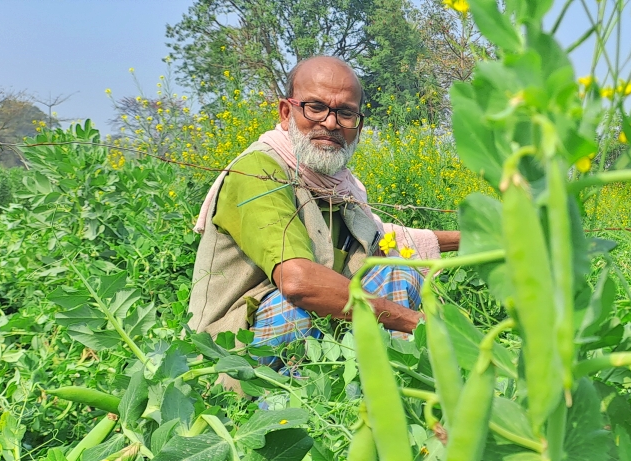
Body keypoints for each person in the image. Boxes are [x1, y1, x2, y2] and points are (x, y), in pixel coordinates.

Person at [187, 55, 458, 359]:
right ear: (286, 112)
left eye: (345, 113)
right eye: (315, 108)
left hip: (312, 337)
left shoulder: (337, 182)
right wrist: (417, 322)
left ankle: (383, 383)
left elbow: (386, 237)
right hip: (229, 352)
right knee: (300, 306)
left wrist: (473, 238)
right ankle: (278, 401)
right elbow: (298, 282)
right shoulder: (259, 171)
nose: (330, 123)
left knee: (396, 272)